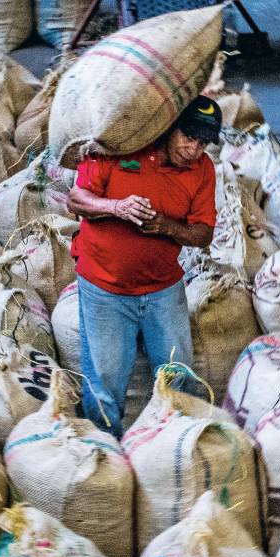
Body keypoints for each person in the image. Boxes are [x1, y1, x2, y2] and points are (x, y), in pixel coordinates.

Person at [67, 94, 221, 437]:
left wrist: (167, 226)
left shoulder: (202, 170)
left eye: (203, 142)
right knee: (105, 381)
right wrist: (117, 207)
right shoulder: (120, 147)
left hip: (163, 288)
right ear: (169, 128)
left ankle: (172, 445)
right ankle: (107, 449)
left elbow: (203, 234)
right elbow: (76, 199)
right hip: (105, 288)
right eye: (189, 137)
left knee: (178, 374)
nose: (194, 149)